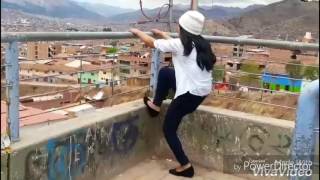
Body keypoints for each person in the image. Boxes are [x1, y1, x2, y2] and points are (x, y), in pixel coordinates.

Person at [130, 10, 216, 178]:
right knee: (165, 73)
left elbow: (151, 43)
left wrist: (137, 32)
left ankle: (186, 166)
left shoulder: (182, 45)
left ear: (183, 28)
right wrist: (162, 34)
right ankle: (155, 106)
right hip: (200, 92)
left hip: (189, 95)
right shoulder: (201, 44)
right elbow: (177, 44)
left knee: (168, 129)